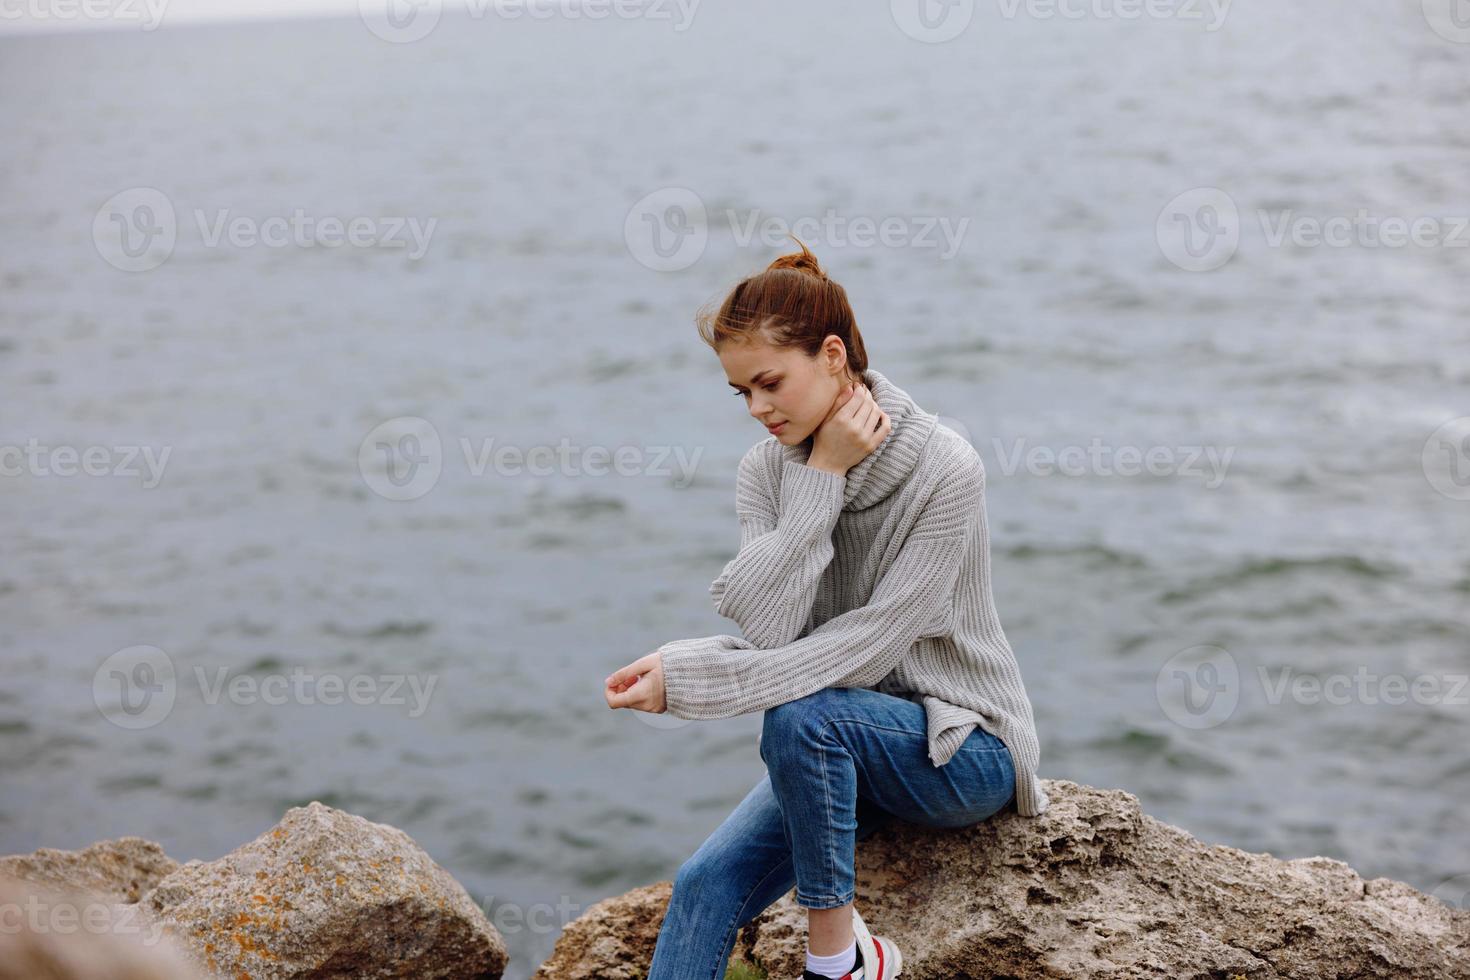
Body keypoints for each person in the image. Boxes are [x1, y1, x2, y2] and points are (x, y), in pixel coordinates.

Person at [604, 237, 1048, 980]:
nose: (757, 409)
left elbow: (868, 647)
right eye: (741, 392)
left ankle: (838, 960)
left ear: (834, 357)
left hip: (963, 748)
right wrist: (824, 477)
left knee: (802, 716)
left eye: (770, 382)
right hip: (838, 744)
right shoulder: (765, 473)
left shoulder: (946, 468)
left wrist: (697, 681)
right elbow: (773, 627)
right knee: (703, 885)